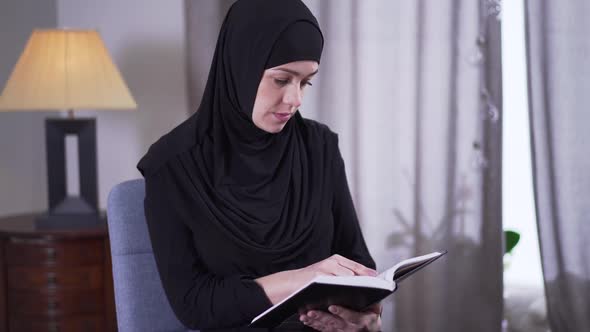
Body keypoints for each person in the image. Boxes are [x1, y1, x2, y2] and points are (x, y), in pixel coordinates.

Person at [137, 0, 382, 331]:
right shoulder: (172, 166)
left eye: (306, 81)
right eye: (282, 80)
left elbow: (357, 262)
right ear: (241, 66)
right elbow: (193, 304)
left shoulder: (320, 147)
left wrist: (364, 316)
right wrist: (301, 279)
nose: (295, 99)